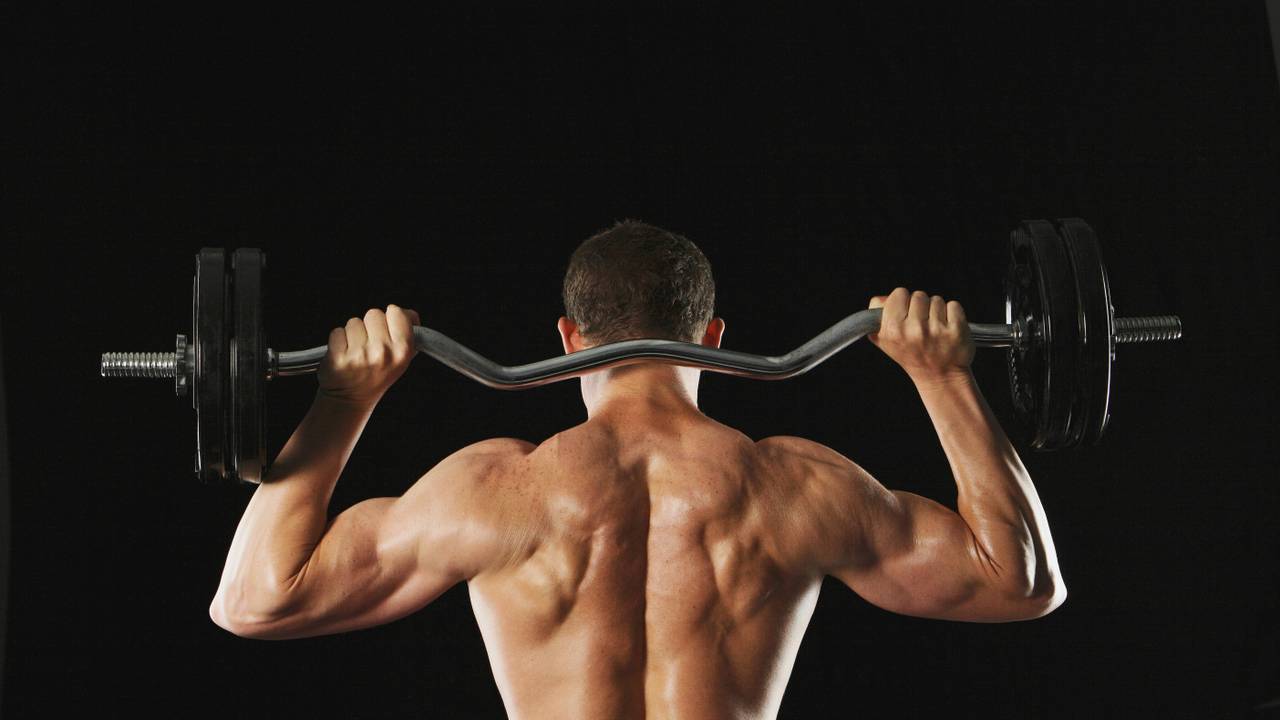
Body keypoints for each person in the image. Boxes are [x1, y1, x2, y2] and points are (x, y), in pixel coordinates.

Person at [210, 220, 1066, 719]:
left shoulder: (496, 491)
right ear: (715, 341)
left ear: (569, 342)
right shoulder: (796, 486)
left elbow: (255, 601)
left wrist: (342, 401)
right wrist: (942, 375)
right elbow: (1018, 582)